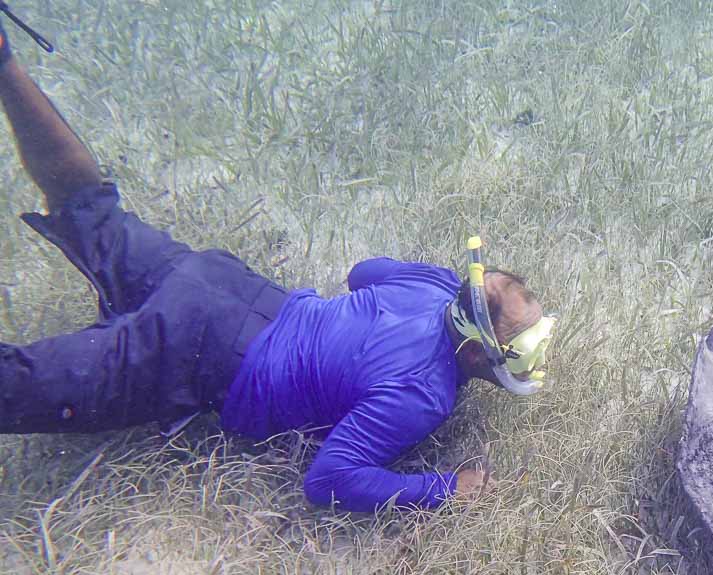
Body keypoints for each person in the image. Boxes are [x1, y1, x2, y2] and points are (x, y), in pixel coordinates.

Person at [0, 22, 555, 512]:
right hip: (198, 350)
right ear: (476, 350)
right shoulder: (422, 393)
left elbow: (363, 273)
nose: (536, 354)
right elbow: (330, 481)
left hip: (226, 284)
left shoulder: (436, 283)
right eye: (526, 345)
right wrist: (445, 489)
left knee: (88, 205)